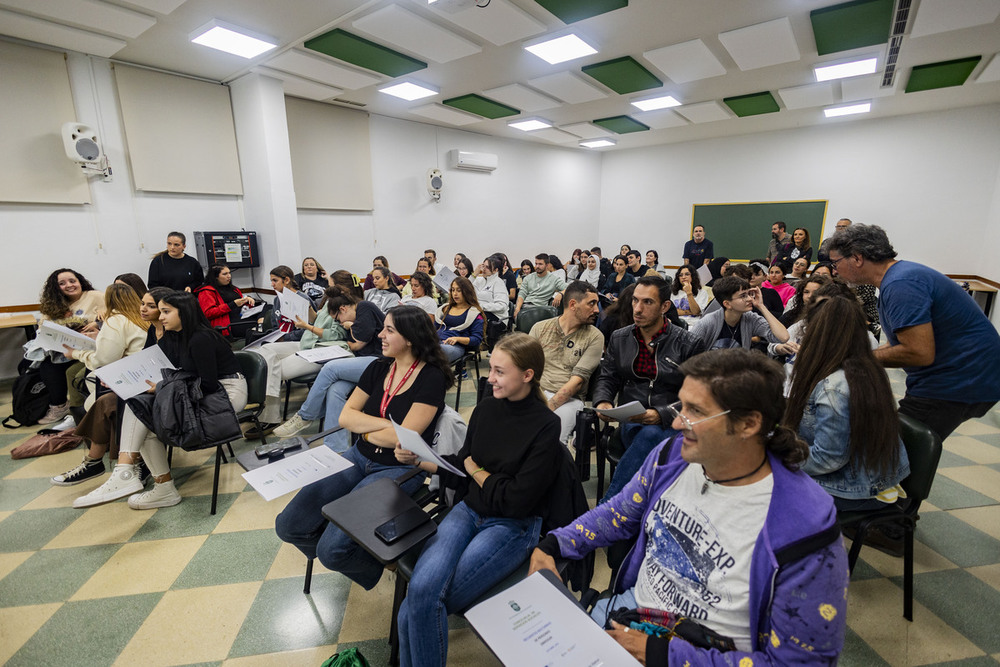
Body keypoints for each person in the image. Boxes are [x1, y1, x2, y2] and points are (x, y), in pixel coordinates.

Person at [530, 348, 848, 665]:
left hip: (709, 650)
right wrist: (557, 543)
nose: (678, 423)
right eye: (681, 406)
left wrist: (663, 654)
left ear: (749, 424)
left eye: (695, 410)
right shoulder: (673, 456)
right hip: (635, 611)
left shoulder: (804, 526)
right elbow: (619, 513)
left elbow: (800, 662)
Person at [394, 333, 563, 667]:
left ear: (527, 375)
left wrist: (474, 468)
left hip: (513, 525)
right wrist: (421, 461)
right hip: (470, 510)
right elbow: (463, 463)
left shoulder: (547, 425)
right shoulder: (487, 407)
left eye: (500, 371)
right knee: (420, 595)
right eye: (492, 369)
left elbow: (515, 501)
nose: (491, 377)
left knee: (420, 601)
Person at [274, 306, 451, 589]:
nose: (380, 334)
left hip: (399, 468)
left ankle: (381, 562)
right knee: (288, 525)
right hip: (357, 456)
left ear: (410, 338)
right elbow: (346, 417)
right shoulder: (378, 367)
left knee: (331, 552)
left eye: (389, 330)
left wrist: (367, 428)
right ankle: (367, 554)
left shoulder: (431, 377)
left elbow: (402, 439)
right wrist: (382, 429)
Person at [73, 292, 247, 509]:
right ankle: (158, 486)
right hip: (194, 388)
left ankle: (125, 472)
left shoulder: (201, 338)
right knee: (144, 418)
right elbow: (153, 366)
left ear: (184, 313)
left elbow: (208, 384)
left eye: (166, 312)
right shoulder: (172, 336)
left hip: (226, 391)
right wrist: (121, 378)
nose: (161, 317)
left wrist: (163, 387)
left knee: (143, 409)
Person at [828, 224, 1000, 441]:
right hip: (958, 375)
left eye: (835, 263)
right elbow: (900, 341)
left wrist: (852, 359)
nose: (834, 270)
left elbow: (919, 352)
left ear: (857, 258)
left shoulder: (901, 284)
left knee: (896, 451)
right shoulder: (898, 278)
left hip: (958, 379)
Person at [783, 294, 910, 517]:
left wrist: (779, 459)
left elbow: (828, 458)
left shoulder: (834, 386)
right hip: (873, 478)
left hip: (855, 489)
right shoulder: (864, 366)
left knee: (762, 484)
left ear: (817, 335)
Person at [594, 276, 706, 500]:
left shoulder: (688, 343)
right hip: (633, 419)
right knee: (649, 436)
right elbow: (607, 377)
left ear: (665, 306)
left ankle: (611, 507)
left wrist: (662, 414)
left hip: (673, 420)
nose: (637, 309)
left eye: (647, 302)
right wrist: (603, 401)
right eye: (635, 301)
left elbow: (700, 396)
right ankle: (635, 510)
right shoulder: (620, 337)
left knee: (652, 435)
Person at [52, 287, 170, 486]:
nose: (143, 309)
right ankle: (105, 462)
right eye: (142, 303)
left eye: (151, 306)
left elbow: (175, 369)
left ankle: (114, 465)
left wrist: (79, 354)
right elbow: (147, 361)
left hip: (162, 388)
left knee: (114, 402)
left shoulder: (172, 331)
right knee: (107, 400)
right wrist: (120, 375)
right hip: (147, 383)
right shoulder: (151, 328)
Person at [272, 285, 386, 451]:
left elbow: (359, 343)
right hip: (363, 363)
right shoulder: (354, 316)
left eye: (338, 318)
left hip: (381, 363)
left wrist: (349, 326)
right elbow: (353, 345)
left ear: (343, 308)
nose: (339, 323)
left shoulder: (364, 307)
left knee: (331, 368)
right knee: (335, 390)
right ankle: (335, 449)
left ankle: (305, 416)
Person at [245, 284, 351, 436]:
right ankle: (266, 410)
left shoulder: (346, 307)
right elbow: (316, 320)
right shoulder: (330, 301)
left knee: (269, 370)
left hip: (321, 347)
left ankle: (267, 414)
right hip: (306, 343)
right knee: (264, 351)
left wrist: (307, 326)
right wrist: (306, 308)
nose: (328, 287)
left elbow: (335, 335)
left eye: (332, 283)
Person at [528, 281, 603, 444]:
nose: (597, 310)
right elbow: (525, 367)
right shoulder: (540, 328)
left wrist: (547, 409)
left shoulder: (595, 337)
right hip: (538, 391)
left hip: (571, 399)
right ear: (573, 304)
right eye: (592, 303)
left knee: (550, 436)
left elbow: (577, 382)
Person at [29, 268, 104, 425]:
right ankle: (59, 405)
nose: (69, 285)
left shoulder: (95, 296)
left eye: (72, 281)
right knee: (45, 365)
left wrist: (97, 323)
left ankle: (75, 410)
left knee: (65, 370)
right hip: (62, 348)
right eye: (62, 283)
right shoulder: (52, 304)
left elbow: (114, 316)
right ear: (56, 288)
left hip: (89, 346)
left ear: (80, 281)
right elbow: (42, 327)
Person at [691, 275, 788, 351]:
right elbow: (687, 353)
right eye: (743, 296)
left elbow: (783, 338)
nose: (750, 299)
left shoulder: (751, 318)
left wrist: (761, 306)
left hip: (738, 373)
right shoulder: (707, 323)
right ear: (727, 304)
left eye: (749, 294)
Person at [195, 264, 256, 338]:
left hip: (242, 316)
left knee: (267, 309)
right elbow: (208, 313)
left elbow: (242, 305)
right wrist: (232, 304)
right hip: (227, 324)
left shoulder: (234, 289)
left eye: (229, 273)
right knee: (255, 328)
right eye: (225, 274)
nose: (229, 276)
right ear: (215, 277)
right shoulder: (206, 291)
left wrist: (247, 300)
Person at [435, 277, 484, 363]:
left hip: (455, 346)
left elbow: (476, 339)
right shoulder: (445, 308)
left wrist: (457, 339)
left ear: (467, 292)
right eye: (453, 290)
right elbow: (433, 328)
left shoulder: (474, 313)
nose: (455, 294)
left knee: (435, 351)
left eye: (459, 290)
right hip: (436, 341)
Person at [513, 253, 566, 320]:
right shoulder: (528, 278)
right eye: (536, 264)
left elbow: (569, 288)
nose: (537, 266)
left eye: (540, 264)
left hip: (539, 308)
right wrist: (518, 308)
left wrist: (560, 294)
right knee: (510, 308)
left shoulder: (553, 279)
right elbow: (522, 294)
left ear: (547, 265)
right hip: (525, 305)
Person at [269, 265, 315, 339]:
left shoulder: (302, 298)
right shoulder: (277, 299)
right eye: (271, 281)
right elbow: (274, 324)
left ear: (287, 280)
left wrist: (285, 338)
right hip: (281, 339)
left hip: (299, 340)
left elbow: (310, 328)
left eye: (275, 280)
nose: (272, 284)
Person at [472, 255, 510, 325]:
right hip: (479, 312)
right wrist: (474, 275)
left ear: (495, 270)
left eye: (487, 267)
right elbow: (463, 289)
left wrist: (481, 306)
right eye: (483, 266)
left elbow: (502, 305)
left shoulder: (498, 282)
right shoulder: (479, 280)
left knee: (472, 319)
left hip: (496, 317)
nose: (484, 269)